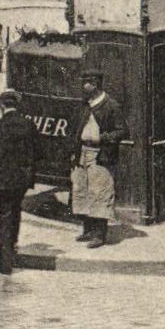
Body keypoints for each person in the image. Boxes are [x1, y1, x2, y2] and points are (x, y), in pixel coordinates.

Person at [70, 69, 128, 248]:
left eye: (86, 83)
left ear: (94, 84)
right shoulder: (85, 104)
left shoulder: (111, 105)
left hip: (100, 154)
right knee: (82, 190)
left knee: (99, 192)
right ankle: (87, 230)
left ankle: (99, 234)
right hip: (82, 152)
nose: (83, 87)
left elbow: (122, 131)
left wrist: (102, 138)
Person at [0, 89, 37, 275]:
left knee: (2, 218)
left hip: (2, 179)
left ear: (3, 106)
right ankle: (12, 247)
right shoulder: (28, 125)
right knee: (15, 212)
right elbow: (35, 151)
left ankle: (5, 264)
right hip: (21, 179)